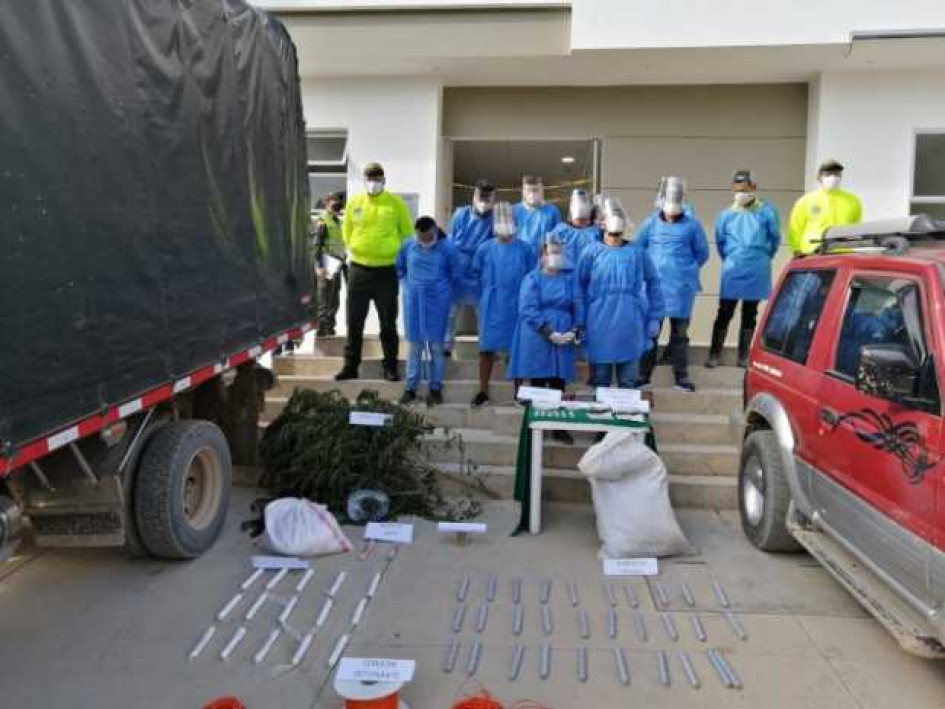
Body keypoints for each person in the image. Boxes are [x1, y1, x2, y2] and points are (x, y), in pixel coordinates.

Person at [335, 162, 413, 382]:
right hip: (358, 270)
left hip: (386, 272)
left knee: (388, 322)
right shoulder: (354, 203)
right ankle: (350, 366)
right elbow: (347, 232)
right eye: (369, 178)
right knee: (354, 321)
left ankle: (390, 366)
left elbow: (407, 236)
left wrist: (400, 262)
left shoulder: (395, 203)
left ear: (384, 180)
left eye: (377, 179)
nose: (373, 183)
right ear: (364, 180)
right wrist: (359, 250)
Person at [577, 201, 664, 390]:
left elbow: (654, 284)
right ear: (602, 223)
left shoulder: (637, 252)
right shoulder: (591, 252)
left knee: (628, 382)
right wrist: (580, 323)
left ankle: (628, 418)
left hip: (630, 323)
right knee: (601, 382)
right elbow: (578, 288)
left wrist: (654, 317)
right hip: (598, 323)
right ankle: (602, 419)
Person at [636, 176, 709, 392]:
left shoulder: (693, 225)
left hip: (681, 289)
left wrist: (686, 270)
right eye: (668, 212)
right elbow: (639, 250)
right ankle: (642, 375)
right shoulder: (649, 223)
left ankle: (681, 377)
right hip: (654, 289)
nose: (671, 215)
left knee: (680, 335)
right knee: (651, 333)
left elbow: (702, 253)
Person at [509, 235, 583, 444]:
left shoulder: (569, 279)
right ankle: (537, 427)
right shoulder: (532, 279)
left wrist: (577, 329)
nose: (555, 256)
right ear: (542, 256)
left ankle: (558, 428)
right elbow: (527, 309)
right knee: (539, 382)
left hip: (564, 331)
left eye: (558, 252)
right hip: (537, 335)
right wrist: (548, 332)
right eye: (551, 252)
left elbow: (577, 303)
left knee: (559, 382)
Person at [706, 170, 781, 369]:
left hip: (757, 267)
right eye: (737, 189)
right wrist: (732, 258)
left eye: (745, 189)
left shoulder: (766, 212)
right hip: (733, 267)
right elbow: (720, 242)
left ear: (754, 188)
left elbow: (775, 239)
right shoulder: (726, 215)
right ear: (732, 189)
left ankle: (743, 356)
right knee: (725, 311)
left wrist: (763, 257)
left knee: (750, 312)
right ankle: (714, 354)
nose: (741, 192)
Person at [470, 201, 537, 407]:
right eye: (502, 220)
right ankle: (483, 391)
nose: (506, 224)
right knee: (486, 349)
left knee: (518, 349)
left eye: (509, 220)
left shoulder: (525, 250)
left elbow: (533, 277)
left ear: (516, 223)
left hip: (517, 305)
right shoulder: (484, 249)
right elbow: (476, 275)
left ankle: (520, 392)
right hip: (491, 304)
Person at [396, 217, 460, 407]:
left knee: (436, 347)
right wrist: (408, 286)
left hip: (437, 302)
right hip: (414, 302)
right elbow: (399, 268)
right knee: (414, 347)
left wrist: (444, 290)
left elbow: (455, 273)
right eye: (420, 238)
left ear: (434, 231)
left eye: (427, 237)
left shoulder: (447, 248)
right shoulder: (408, 245)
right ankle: (410, 388)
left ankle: (435, 388)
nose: (424, 241)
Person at [445, 179, 495, 357]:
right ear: (474, 196)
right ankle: (445, 347)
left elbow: (495, 246)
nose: (483, 202)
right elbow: (450, 243)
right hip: (459, 268)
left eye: (487, 198)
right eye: (481, 197)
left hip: (482, 270)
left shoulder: (494, 218)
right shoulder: (461, 214)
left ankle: (487, 349)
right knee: (450, 311)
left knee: (485, 313)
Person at [788, 159, 863, 256]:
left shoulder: (852, 201)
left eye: (837, 174)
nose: (833, 177)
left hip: (842, 252)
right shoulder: (806, 201)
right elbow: (795, 227)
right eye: (829, 174)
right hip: (812, 251)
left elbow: (856, 228)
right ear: (819, 177)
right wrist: (796, 249)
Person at [313, 192, 347, 338]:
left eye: (339, 203)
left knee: (334, 297)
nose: (337, 205)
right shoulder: (323, 220)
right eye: (334, 202)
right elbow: (317, 245)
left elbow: (340, 244)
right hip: (326, 263)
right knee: (324, 296)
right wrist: (318, 266)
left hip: (337, 264)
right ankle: (322, 328)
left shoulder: (338, 221)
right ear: (327, 203)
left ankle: (330, 327)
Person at [548, 189, 602, 268]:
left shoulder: (596, 232)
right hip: (566, 277)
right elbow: (551, 261)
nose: (580, 221)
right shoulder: (560, 231)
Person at [513, 174, 562, 255]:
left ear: (542, 190)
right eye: (528, 190)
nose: (532, 194)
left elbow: (557, 238)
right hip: (520, 256)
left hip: (544, 258)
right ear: (523, 192)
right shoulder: (514, 210)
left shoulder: (553, 211)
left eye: (535, 190)